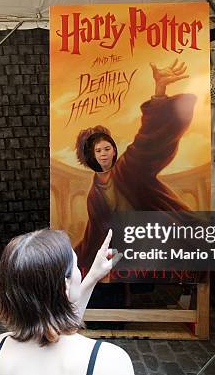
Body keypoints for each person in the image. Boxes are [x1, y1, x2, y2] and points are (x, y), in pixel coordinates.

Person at [74, 59, 196, 273]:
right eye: (97, 151)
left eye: (106, 148)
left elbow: (149, 139)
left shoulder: (129, 167)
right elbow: (93, 238)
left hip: (161, 246)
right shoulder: (95, 195)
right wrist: (68, 261)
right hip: (128, 258)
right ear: (88, 158)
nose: (103, 155)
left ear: (113, 149)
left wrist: (159, 92)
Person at [0, 229, 134, 375]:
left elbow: (56, 322)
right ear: (65, 286)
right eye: (76, 266)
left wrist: (92, 277)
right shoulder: (108, 361)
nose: (79, 271)